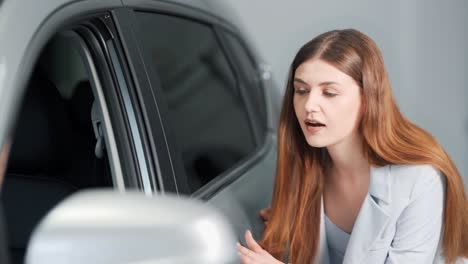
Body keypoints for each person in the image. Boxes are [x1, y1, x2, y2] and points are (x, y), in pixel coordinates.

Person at [237, 29, 468, 264]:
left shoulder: (419, 178)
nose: (309, 105)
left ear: (368, 99)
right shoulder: (304, 167)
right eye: (302, 91)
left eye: (329, 93)